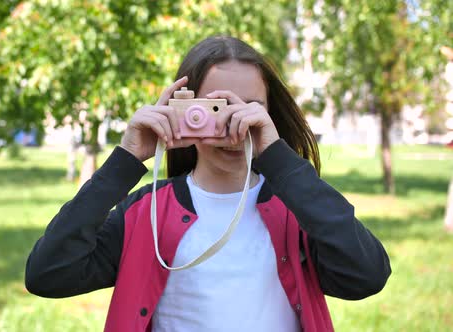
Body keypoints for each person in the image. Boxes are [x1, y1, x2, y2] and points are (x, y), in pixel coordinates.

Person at [24, 36, 391, 332]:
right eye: (215, 109)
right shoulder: (146, 214)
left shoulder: (297, 209)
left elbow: (367, 275)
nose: (234, 128)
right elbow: (48, 274)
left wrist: (277, 157)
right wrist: (125, 161)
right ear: (184, 110)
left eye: (249, 109)